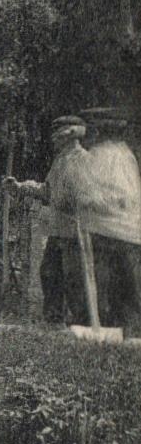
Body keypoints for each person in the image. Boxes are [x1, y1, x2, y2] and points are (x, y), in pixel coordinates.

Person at [7, 115, 111, 325]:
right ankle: (53, 323)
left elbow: (93, 196)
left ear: (69, 134)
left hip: (76, 232)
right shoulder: (60, 160)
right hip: (57, 230)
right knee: (49, 274)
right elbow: (48, 191)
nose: (53, 138)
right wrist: (20, 187)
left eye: (57, 132)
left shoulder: (84, 160)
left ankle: (82, 326)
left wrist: (75, 201)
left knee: (74, 280)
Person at [81, 108, 141, 333]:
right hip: (123, 230)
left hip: (111, 229)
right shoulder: (124, 155)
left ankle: (117, 330)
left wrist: (93, 201)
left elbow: (124, 197)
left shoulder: (105, 156)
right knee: (124, 286)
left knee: (111, 285)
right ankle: (122, 331)